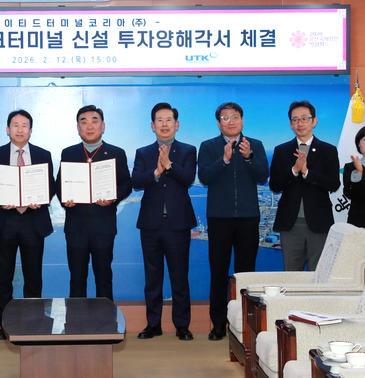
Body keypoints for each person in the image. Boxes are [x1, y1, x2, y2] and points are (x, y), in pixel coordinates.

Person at [0, 110, 55, 340]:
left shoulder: (43, 154)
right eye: (15, 125)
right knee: (3, 276)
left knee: (33, 277)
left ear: (30, 131)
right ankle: (5, 325)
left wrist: (42, 198)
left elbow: (51, 186)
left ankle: (33, 324)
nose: (20, 129)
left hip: (33, 220)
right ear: (7, 129)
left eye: (24, 126)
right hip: (5, 220)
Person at [198, 102, 269, 341]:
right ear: (219, 123)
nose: (231, 121)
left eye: (235, 116)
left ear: (242, 120)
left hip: (248, 217)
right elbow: (204, 177)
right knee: (218, 271)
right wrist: (224, 160)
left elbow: (263, 176)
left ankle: (245, 325)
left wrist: (249, 157)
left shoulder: (255, 145)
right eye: (225, 118)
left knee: (246, 273)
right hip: (219, 218)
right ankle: (218, 324)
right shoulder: (208, 146)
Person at [132, 103, 197, 341]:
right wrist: (156, 173)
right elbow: (136, 181)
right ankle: (153, 324)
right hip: (151, 224)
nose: (164, 124)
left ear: (176, 124)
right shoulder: (143, 152)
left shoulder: (188, 150)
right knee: (152, 277)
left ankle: (182, 325)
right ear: (153, 125)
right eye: (159, 120)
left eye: (169, 120)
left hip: (178, 224)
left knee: (180, 277)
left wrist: (169, 165)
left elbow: (188, 178)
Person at [56, 105, 132, 301]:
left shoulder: (116, 153)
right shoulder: (69, 153)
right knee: (77, 280)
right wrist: (65, 200)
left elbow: (126, 184)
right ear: (78, 128)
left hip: (103, 226)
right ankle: (75, 320)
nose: (89, 126)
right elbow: (59, 184)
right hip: (76, 227)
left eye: (94, 121)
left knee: (104, 279)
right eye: (84, 122)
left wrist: (113, 197)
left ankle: (106, 320)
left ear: (103, 126)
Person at [269, 101, 340, 271]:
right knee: (291, 273)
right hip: (290, 222)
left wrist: (307, 172)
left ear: (314, 121)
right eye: (295, 120)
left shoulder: (328, 150)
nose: (300, 123)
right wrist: (294, 170)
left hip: (319, 221)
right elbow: (275, 185)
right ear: (290, 124)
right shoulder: (281, 150)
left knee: (318, 272)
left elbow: (333, 184)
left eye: (304, 119)